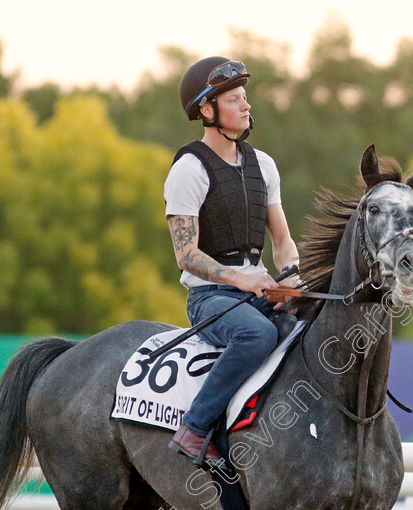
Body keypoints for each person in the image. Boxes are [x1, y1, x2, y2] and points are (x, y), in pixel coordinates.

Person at [164, 56, 301, 461]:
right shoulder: (188, 169)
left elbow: (282, 240)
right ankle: (194, 427)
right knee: (257, 335)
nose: (246, 106)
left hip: (258, 291)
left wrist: (291, 274)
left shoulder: (265, 165)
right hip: (211, 299)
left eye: (246, 97)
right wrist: (240, 280)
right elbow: (185, 254)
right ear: (207, 110)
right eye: (235, 99)